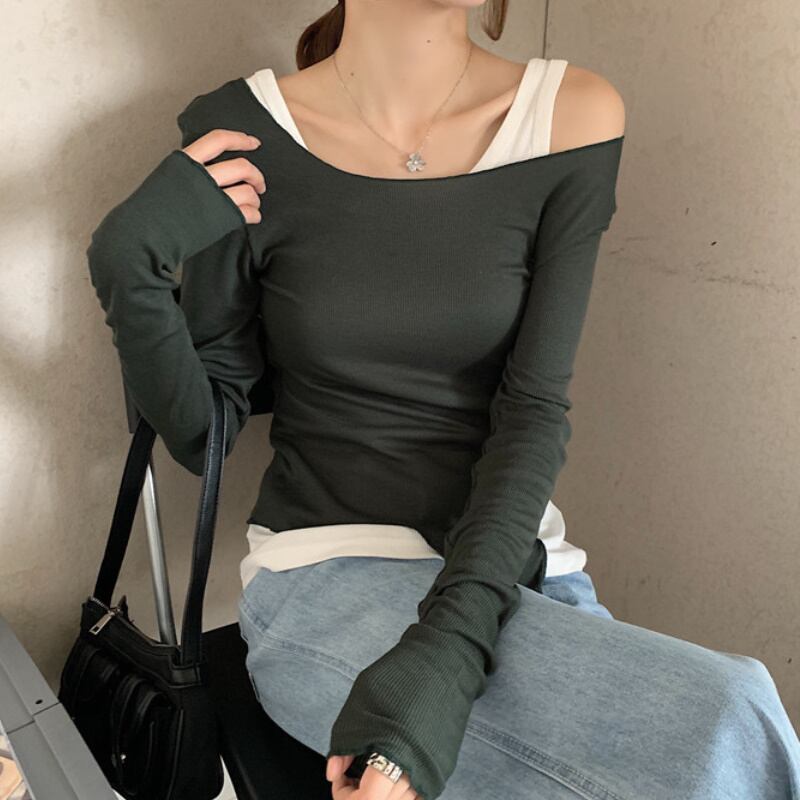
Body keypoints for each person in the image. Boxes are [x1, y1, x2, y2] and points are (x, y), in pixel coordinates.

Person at [85, 1, 800, 799]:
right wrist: (128, 266)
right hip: (325, 578)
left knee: (728, 723)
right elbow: (204, 436)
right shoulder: (244, 130)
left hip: (509, 570)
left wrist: (446, 653)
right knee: (727, 729)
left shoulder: (570, 118)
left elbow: (533, 411)